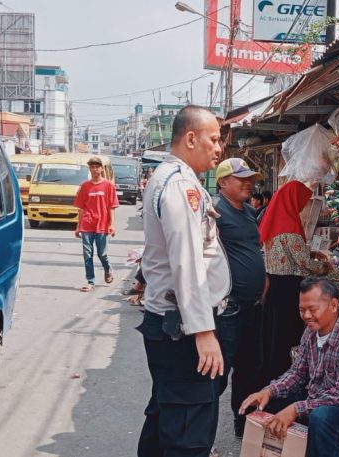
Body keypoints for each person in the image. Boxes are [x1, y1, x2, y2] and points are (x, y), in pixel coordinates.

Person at [137, 105, 230, 457]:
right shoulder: (179, 186)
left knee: (167, 417)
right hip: (183, 328)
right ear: (191, 138)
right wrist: (203, 332)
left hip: (176, 324)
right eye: (214, 139)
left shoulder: (176, 179)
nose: (218, 148)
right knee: (188, 430)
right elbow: (187, 262)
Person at [239, 278, 339, 457]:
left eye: (312, 309)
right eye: (301, 310)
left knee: (321, 417)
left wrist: (297, 409)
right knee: (268, 403)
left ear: (333, 305)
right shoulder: (311, 332)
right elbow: (297, 373)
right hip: (324, 401)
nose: (306, 316)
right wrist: (269, 391)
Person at [212, 158, 268, 437]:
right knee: (219, 371)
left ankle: (242, 423)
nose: (249, 183)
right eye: (241, 178)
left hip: (252, 306)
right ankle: (202, 432)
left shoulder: (247, 211)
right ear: (222, 182)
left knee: (250, 368)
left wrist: (263, 280)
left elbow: (253, 249)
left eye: (251, 179)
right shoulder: (215, 212)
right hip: (229, 308)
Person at [257, 180, 332, 385]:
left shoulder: (274, 222)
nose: (303, 206)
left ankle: (271, 374)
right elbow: (304, 263)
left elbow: (291, 254)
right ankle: (285, 378)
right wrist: (325, 267)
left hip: (275, 286)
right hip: (289, 289)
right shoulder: (290, 227)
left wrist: (311, 252)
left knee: (274, 335)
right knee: (286, 335)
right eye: (302, 201)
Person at [74, 156, 119, 292]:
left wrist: (112, 224)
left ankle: (107, 268)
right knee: (87, 254)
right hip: (87, 224)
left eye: (97, 167)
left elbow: (112, 206)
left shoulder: (108, 186)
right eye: (92, 167)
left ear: (101, 168)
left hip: (102, 225)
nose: (94, 169)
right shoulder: (85, 186)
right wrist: (78, 226)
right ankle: (90, 281)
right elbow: (81, 207)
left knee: (102, 254)